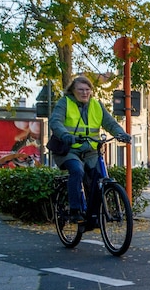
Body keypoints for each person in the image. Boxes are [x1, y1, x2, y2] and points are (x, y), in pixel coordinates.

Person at [48, 75, 131, 228]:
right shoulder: (64, 103)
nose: (84, 92)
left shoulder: (96, 105)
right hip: (69, 150)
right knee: (77, 171)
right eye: (80, 89)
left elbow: (110, 123)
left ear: (91, 91)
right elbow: (55, 121)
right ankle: (74, 210)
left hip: (91, 151)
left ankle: (93, 217)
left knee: (98, 180)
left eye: (87, 89)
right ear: (73, 90)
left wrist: (121, 134)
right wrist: (66, 135)